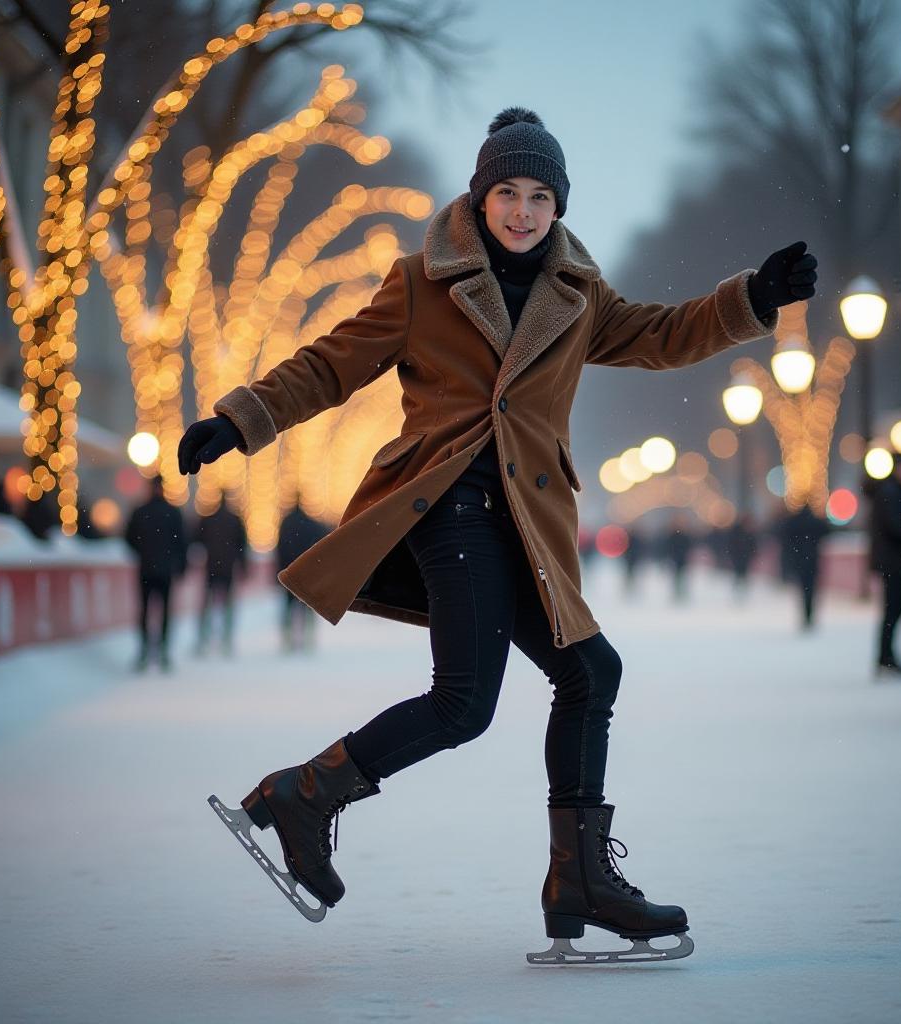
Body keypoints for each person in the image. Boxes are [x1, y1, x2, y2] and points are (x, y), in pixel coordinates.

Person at [180, 107, 817, 962]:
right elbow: (333, 363)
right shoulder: (421, 282)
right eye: (507, 193)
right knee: (465, 702)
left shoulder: (579, 295)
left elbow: (664, 336)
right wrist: (242, 419)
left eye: (540, 196)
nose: (522, 211)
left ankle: (579, 880)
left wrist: (753, 297)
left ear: (559, 206)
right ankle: (306, 794)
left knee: (591, 672)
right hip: (447, 506)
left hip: (528, 520)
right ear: (480, 200)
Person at [125, 475, 187, 672]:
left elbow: (129, 538)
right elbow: (182, 542)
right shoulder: (173, 513)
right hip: (166, 571)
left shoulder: (140, 512)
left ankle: (144, 650)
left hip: (146, 569)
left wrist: (143, 553)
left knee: (144, 611)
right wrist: (179, 565)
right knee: (165, 612)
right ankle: (163, 651)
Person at [868, 453, 901, 677]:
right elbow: (897, 526)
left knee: (893, 609)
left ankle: (886, 656)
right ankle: (886, 657)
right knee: (894, 609)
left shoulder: (888, 491)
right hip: (892, 560)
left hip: (889, 559)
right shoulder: (891, 492)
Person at [194, 495, 249, 656]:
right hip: (228, 569)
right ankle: (227, 639)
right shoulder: (235, 521)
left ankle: (203, 639)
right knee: (228, 606)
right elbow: (242, 547)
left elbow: (197, 540)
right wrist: (243, 568)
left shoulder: (208, 519)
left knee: (207, 606)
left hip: (211, 568)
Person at [276, 502, 331, 651]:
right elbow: (321, 548)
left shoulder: (286, 525)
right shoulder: (312, 525)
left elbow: (280, 549)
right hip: (307, 573)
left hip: (289, 572)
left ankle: (287, 640)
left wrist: (279, 572)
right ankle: (309, 639)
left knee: (288, 607)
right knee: (308, 607)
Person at [780, 505, 831, 630]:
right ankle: (809, 614)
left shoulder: (794, 521)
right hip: (813, 559)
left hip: (799, 560)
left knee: (803, 589)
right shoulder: (815, 522)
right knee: (811, 589)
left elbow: (786, 537)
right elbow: (827, 531)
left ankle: (805, 614)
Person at [662, 514, 695, 603]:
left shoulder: (685, 534)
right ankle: (677, 592)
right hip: (675, 559)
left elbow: (689, 546)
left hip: (682, 558)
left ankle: (682, 592)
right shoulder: (672, 534)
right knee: (676, 576)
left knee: (682, 576)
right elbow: (668, 547)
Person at [725, 513, 758, 596]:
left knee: (743, 572)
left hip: (745, 556)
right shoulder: (737, 531)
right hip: (738, 555)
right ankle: (738, 589)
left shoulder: (749, 531)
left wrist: (753, 553)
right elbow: (731, 543)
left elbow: (752, 544)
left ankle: (742, 589)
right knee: (738, 572)